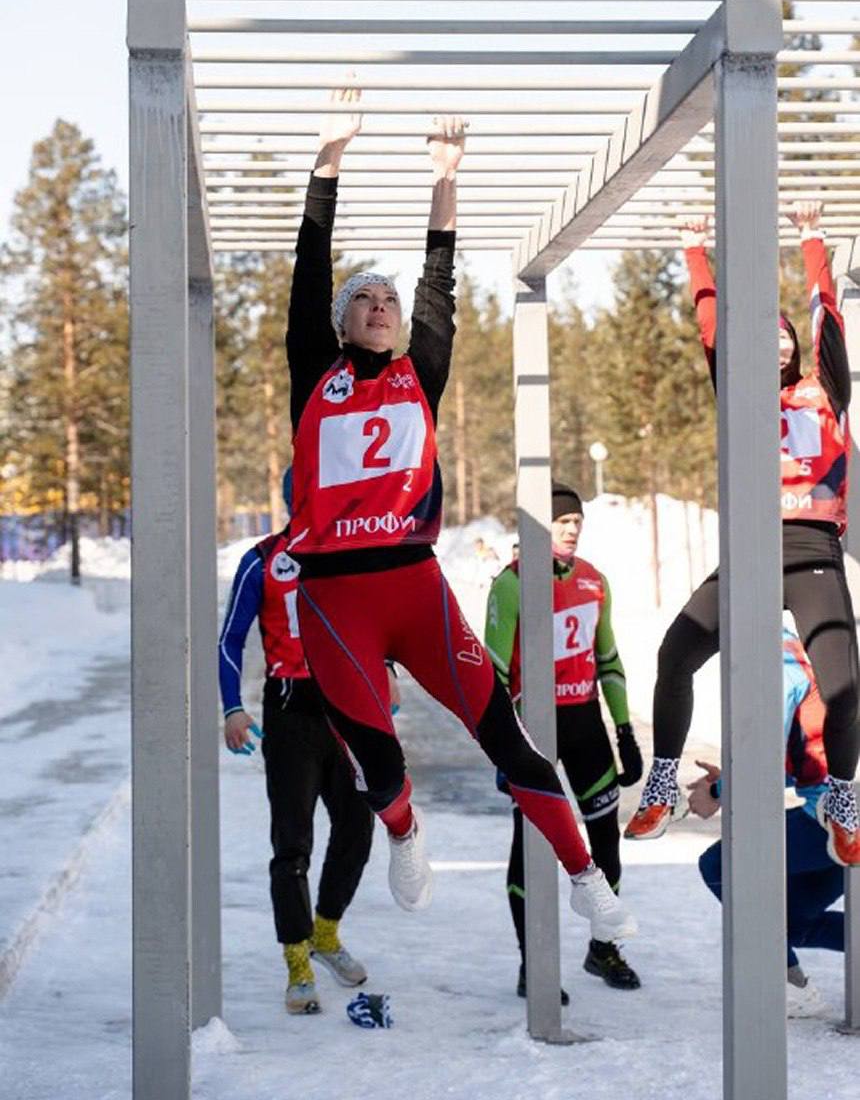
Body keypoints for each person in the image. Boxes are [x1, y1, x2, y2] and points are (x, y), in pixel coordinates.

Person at [285, 85, 635, 949]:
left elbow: (439, 277)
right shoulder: (315, 373)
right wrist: (330, 155)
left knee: (509, 741)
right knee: (379, 763)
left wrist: (446, 176)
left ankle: (585, 879)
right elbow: (310, 259)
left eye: (388, 300)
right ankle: (405, 831)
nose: (380, 305)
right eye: (364, 298)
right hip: (334, 599)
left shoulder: (421, 373)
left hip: (415, 586)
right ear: (340, 321)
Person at [626, 203, 860, 867]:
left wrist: (811, 237)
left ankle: (843, 798)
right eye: (765, 336)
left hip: (812, 551)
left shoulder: (825, 393)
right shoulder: (739, 394)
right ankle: (662, 783)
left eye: (784, 336)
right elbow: (711, 325)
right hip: (751, 551)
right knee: (676, 653)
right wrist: (694, 250)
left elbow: (828, 320)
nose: (777, 344)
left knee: (844, 686)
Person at [219, 470, 374, 1015]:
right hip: (290, 714)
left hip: (346, 711)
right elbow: (231, 638)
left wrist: (387, 672)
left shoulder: (351, 554)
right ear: (291, 500)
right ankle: (297, 965)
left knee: (357, 828)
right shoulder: (262, 559)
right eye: (306, 496)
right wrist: (232, 707)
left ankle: (325, 934)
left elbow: (374, 623)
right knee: (292, 844)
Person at [486, 484, 643, 997]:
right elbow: (494, 674)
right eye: (561, 522)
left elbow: (608, 659)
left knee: (605, 841)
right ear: (539, 527)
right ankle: (532, 963)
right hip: (533, 731)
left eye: (577, 521)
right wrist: (501, 744)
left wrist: (624, 730)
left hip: (585, 726)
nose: (572, 529)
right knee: (531, 845)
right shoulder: (511, 584)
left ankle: (604, 947)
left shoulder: (594, 580)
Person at [688, 627, 845, 1017]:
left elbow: (764, 767)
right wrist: (728, 781)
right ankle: (793, 982)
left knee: (719, 866)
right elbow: (803, 759)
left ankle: (791, 987)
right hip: (836, 811)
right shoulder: (799, 651)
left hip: (835, 819)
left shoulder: (773, 664)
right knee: (790, 925)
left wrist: (718, 791)